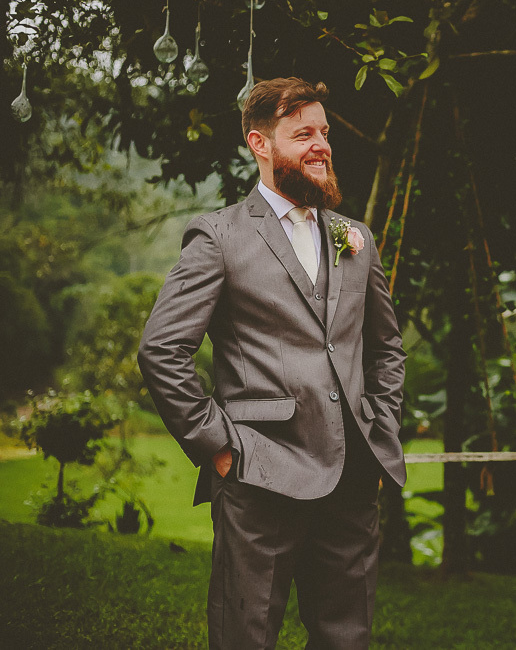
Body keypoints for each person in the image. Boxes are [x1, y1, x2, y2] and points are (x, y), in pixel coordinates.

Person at [138, 77, 406, 649]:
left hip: (352, 477)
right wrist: (218, 444)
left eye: (325, 133)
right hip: (259, 473)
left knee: (346, 638)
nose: (322, 145)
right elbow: (162, 349)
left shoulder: (355, 237)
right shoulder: (219, 237)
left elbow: (386, 348)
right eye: (303, 133)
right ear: (261, 144)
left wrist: (379, 423)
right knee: (247, 634)